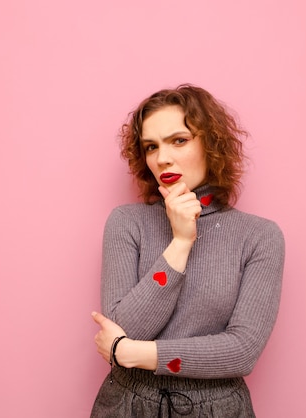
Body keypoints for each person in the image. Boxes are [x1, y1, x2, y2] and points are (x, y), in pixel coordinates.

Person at [90, 84, 285, 417]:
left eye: (179, 140)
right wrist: (181, 243)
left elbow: (241, 352)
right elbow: (125, 328)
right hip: (127, 404)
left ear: (211, 145)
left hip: (218, 408)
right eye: (151, 146)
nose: (162, 158)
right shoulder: (126, 223)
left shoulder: (260, 236)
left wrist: (133, 354)